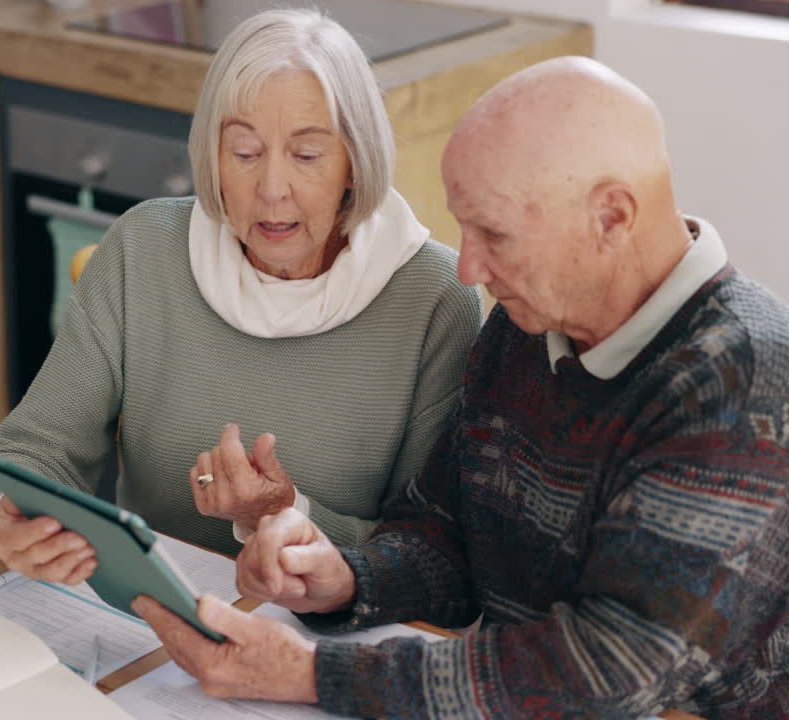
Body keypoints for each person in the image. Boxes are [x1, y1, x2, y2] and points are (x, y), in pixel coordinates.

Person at [133, 56, 789, 719]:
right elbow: (446, 534)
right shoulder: (525, 326)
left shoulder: (744, 378)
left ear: (612, 217)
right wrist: (344, 579)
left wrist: (311, 672)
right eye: (464, 229)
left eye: (494, 234)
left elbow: (613, 668)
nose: (469, 267)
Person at [0, 8, 482, 584]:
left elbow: (428, 551)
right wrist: (11, 514)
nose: (270, 188)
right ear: (213, 156)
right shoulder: (142, 248)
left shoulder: (436, 298)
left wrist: (284, 514)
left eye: (307, 156)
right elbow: (30, 451)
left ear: (354, 166)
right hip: (145, 614)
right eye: (244, 152)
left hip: (322, 637)